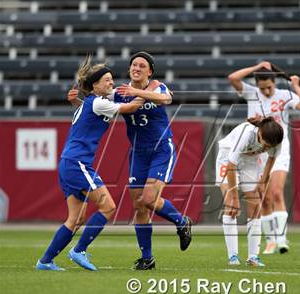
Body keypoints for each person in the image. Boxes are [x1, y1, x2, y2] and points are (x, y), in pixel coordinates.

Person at [68, 51, 192, 271]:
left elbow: (167, 98)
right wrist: (76, 101)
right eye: (134, 64)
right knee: (138, 205)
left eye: (142, 66)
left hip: (161, 149)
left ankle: (182, 222)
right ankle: (147, 257)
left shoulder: (156, 86)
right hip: (138, 153)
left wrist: (138, 92)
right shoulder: (120, 92)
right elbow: (95, 107)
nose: (136, 68)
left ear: (150, 71)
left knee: (149, 198)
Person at [36, 55, 144, 271]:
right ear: (95, 85)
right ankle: (79, 250)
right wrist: (145, 94)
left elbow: (95, 105)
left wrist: (77, 100)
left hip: (69, 162)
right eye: (107, 80)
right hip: (78, 163)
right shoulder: (98, 103)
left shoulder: (92, 102)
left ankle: (45, 261)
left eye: (112, 79)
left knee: (76, 219)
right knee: (109, 206)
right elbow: (130, 108)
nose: (111, 82)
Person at [228, 62, 300, 254]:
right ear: (257, 85)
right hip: (258, 152)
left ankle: (281, 240)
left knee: (276, 192)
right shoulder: (251, 93)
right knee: (263, 198)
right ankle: (270, 240)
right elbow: (233, 78)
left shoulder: (284, 95)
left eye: (269, 87)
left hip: (279, 150)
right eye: (262, 87)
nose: (266, 91)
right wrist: (257, 66)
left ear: (275, 82)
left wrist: (297, 86)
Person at [216, 116, 284, 266]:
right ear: (259, 133)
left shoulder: (277, 139)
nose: (266, 149)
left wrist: (263, 181)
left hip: (250, 161)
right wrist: (233, 196)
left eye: (269, 147)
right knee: (230, 205)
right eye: (265, 145)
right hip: (227, 157)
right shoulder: (246, 135)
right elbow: (230, 165)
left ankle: (253, 257)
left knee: (255, 204)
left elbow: (271, 159)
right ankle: (232, 256)